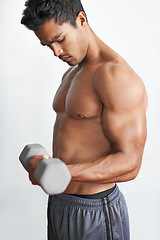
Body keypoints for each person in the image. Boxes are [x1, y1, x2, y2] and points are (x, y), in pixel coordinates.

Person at [21, 0, 148, 239]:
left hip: (95, 210)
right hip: (60, 204)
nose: (56, 52)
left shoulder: (116, 76)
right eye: (48, 45)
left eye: (59, 39)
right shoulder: (71, 74)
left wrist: (62, 172)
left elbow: (131, 163)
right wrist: (44, 166)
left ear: (81, 20)